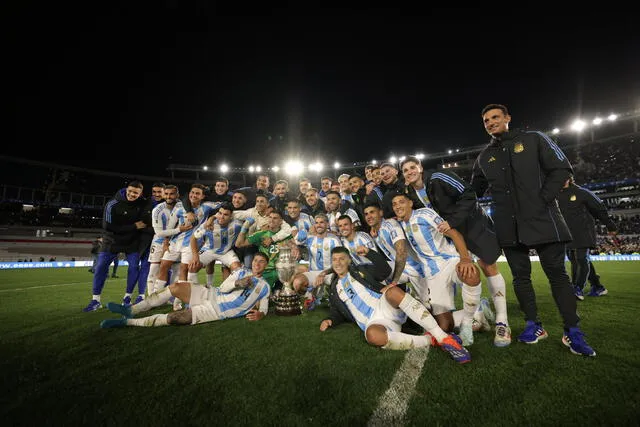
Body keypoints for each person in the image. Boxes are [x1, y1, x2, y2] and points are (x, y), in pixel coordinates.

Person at [471, 103, 595, 357]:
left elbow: (562, 169)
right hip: (508, 226)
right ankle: (533, 325)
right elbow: (473, 191)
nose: (491, 122)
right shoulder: (484, 157)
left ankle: (573, 331)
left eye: (495, 117)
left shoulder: (534, 139)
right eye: (486, 120)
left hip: (543, 220)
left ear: (507, 118)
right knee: (520, 277)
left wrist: (544, 199)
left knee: (558, 276)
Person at [401, 156, 511, 347]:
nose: (410, 171)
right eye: (405, 170)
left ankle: (502, 321)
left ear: (420, 167)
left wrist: (452, 221)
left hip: (472, 226)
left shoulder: (438, 176)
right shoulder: (410, 193)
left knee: (488, 266)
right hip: (450, 236)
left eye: (412, 167)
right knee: (465, 272)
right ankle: (477, 310)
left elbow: (469, 193)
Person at [318, 246, 471, 364]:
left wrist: (369, 253)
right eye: (335, 259)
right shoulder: (333, 288)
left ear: (349, 260)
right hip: (374, 321)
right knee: (373, 336)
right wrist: (330, 320)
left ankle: (443, 338)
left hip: (384, 305)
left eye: (342, 259)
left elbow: (385, 270)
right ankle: (430, 340)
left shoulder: (360, 270)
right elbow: (336, 311)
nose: (338, 262)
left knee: (391, 291)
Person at [391, 192, 482, 346]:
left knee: (471, 274)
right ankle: (479, 313)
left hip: (449, 261)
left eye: (401, 202)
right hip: (432, 274)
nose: (398, 206)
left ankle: (467, 323)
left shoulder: (424, 214)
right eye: (394, 204)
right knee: (444, 326)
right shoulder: (400, 224)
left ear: (410, 203)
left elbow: (454, 234)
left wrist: (465, 259)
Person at [100, 252, 271, 329]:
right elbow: (224, 288)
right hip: (211, 293)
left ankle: (127, 323)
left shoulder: (265, 287)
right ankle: (131, 310)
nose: (257, 263)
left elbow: (263, 307)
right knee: (174, 287)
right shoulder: (241, 271)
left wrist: (261, 315)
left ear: (266, 265)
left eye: (261, 262)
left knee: (176, 318)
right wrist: (238, 283)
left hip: (216, 311)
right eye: (256, 260)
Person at [82, 181, 147, 312]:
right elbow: (108, 227)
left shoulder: (142, 203)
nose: (132, 194)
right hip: (111, 240)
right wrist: (134, 226)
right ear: (126, 189)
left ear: (140, 194)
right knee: (100, 267)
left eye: (136, 193)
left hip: (131, 241)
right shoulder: (112, 204)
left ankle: (127, 298)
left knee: (134, 267)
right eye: (130, 191)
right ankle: (95, 300)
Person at [558, 175, 617, 299]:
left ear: (569, 178)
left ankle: (577, 288)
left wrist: (610, 225)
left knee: (581, 259)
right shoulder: (555, 195)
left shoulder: (582, 193)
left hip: (584, 231)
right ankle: (598, 286)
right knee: (576, 260)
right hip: (567, 233)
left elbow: (599, 208)